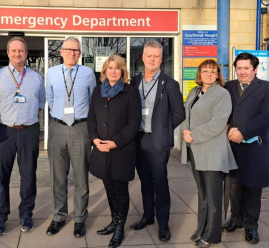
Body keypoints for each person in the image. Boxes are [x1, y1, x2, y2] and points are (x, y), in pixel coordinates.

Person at [0, 37, 46, 235]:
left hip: (29, 131)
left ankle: (26, 214)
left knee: (28, 175)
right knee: (1, 176)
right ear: (8, 53)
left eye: (21, 51)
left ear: (26, 53)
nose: (17, 54)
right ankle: (0, 217)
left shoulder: (36, 78)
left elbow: (40, 103)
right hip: (3, 131)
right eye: (14, 51)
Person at [130, 41, 185, 241]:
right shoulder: (134, 82)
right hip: (138, 139)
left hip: (157, 141)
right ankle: (148, 216)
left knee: (160, 183)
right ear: (142, 58)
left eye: (156, 56)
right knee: (145, 181)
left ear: (161, 59)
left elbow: (179, 114)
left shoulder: (170, 84)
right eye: (149, 56)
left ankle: (163, 223)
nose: (152, 59)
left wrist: (163, 129)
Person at [181, 59, 238, 248]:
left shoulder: (222, 94)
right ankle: (201, 228)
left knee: (213, 197)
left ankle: (212, 235)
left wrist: (194, 135)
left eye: (213, 71)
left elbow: (218, 123)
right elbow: (186, 115)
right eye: (205, 71)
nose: (209, 74)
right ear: (199, 74)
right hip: (196, 150)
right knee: (202, 194)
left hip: (213, 151)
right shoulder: (194, 92)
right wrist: (184, 131)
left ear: (218, 75)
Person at [223, 52, 269, 244]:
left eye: (246, 68)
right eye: (239, 68)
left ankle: (251, 226)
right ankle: (235, 220)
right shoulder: (228, 86)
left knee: (253, 188)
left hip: (255, 146)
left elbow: (267, 117)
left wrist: (243, 132)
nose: (242, 72)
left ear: (255, 69)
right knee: (235, 186)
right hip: (231, 145)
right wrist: (228, 127)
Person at [87, 54, 142, 247]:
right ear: (104, 71)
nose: (113, 71)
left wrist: (115, 142)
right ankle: (114, 220)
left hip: (121, 150)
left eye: (117, 68)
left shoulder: (131, 92)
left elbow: (134, 123)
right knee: (108, 187)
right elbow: (92, 118)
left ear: (122, 71)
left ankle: (120, 227)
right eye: (109, 68)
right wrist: (95, 139)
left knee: (120, 190)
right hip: (101, 149)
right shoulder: (97, 91)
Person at [45, 37, 96, 237]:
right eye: (68, 49)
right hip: (57, 128)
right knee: (57, 177)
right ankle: (58, 216)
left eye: (75, 50)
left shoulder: (88, 73)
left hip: (80, 128)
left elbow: (93, 100)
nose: (72, 53)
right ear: (61, 51)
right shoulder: (52, 73)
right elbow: (50, 98)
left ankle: (80, 218)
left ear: (80, 53)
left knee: (82, 177)